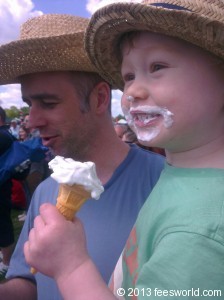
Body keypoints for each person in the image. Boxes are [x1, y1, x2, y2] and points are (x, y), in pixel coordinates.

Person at [22, 1, 224, 299]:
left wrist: (71, 267)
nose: (131, 92)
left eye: (157, 67)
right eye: (128, 76)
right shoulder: (181, 175)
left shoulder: (201, 230)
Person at [0, 14, 164, 299]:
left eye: (48, 103)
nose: (32, 120)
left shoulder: (165, 184)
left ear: (100, 99)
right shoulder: (45, 191)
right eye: (28, 104)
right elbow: (29, 282)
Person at [0, 107, 29, 274]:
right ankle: (5, 255)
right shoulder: (6, 134)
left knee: (3, 224)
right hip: (4, 185)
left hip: (2, 187)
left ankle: (7, 262)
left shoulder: (3, 136)